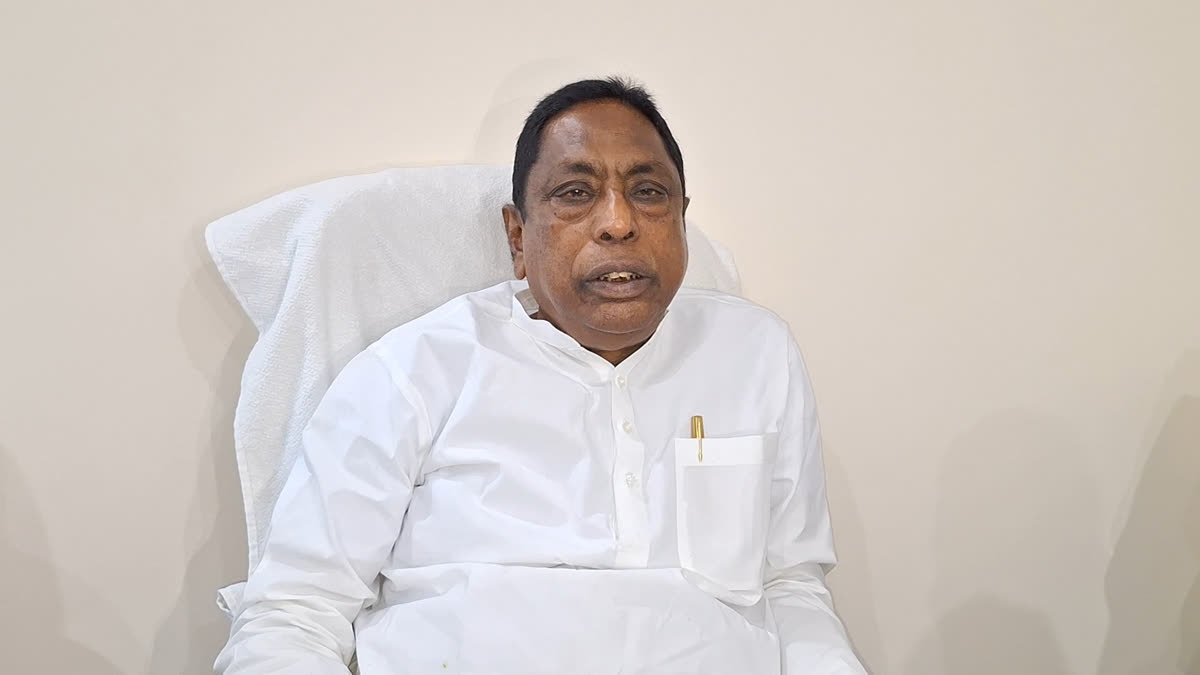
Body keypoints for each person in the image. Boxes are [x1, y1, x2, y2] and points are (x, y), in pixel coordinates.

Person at [215, 77, 868, 674]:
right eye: (576, 194)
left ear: (680, 217)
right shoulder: (414, 372)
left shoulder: (755, 351)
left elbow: (789, 584)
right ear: (517, 237)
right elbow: (293, 614)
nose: (619, 222)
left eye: (648, 192)